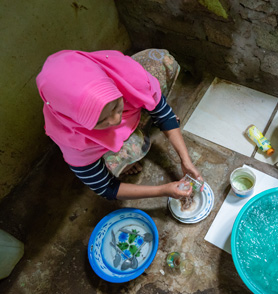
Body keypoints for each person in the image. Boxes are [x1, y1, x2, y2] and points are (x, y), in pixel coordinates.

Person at [36, 49, 203, 201]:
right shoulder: (73, 141)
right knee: (133, 146)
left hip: (130, 95)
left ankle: (141, 116)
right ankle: (123, 160)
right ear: (75, 120)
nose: (116, 120)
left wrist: (185, 160)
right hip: (101, 141)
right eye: (100, 121)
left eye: (116, 105)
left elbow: (163, 114)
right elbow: (106, 188)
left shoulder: (125, 76)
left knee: (161, 61)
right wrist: (163, 190)